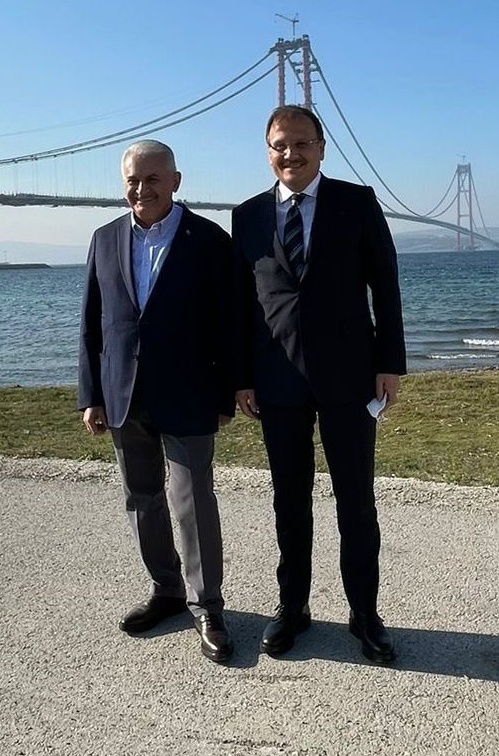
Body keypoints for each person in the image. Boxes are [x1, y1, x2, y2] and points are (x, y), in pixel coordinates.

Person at [231, 105, 406, 664]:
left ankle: (364, 614)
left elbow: (386, 285)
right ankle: (293, 607)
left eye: (302, 143)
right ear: (268, 151)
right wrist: (241, 376)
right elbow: (241, 304)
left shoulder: (357, 202)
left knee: (356, 501)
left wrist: (390, 363)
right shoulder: (247, 215)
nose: (291, 154)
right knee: (289, 501)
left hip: (350, 376)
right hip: (276, 378)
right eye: (280, 145)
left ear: (322, 147)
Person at [78, 139, 237, 663]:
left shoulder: (209, 239)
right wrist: (91, 395)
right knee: (141, 498)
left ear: (175, 181)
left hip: (190, 393)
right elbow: (93, 323)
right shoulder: (104, 239)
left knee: (192, 501)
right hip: (124, 394)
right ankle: (166, 590)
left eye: (152, 179)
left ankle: (207, 605)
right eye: (133, 180)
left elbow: (228, 323)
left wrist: (226, 393)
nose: (141, 189)